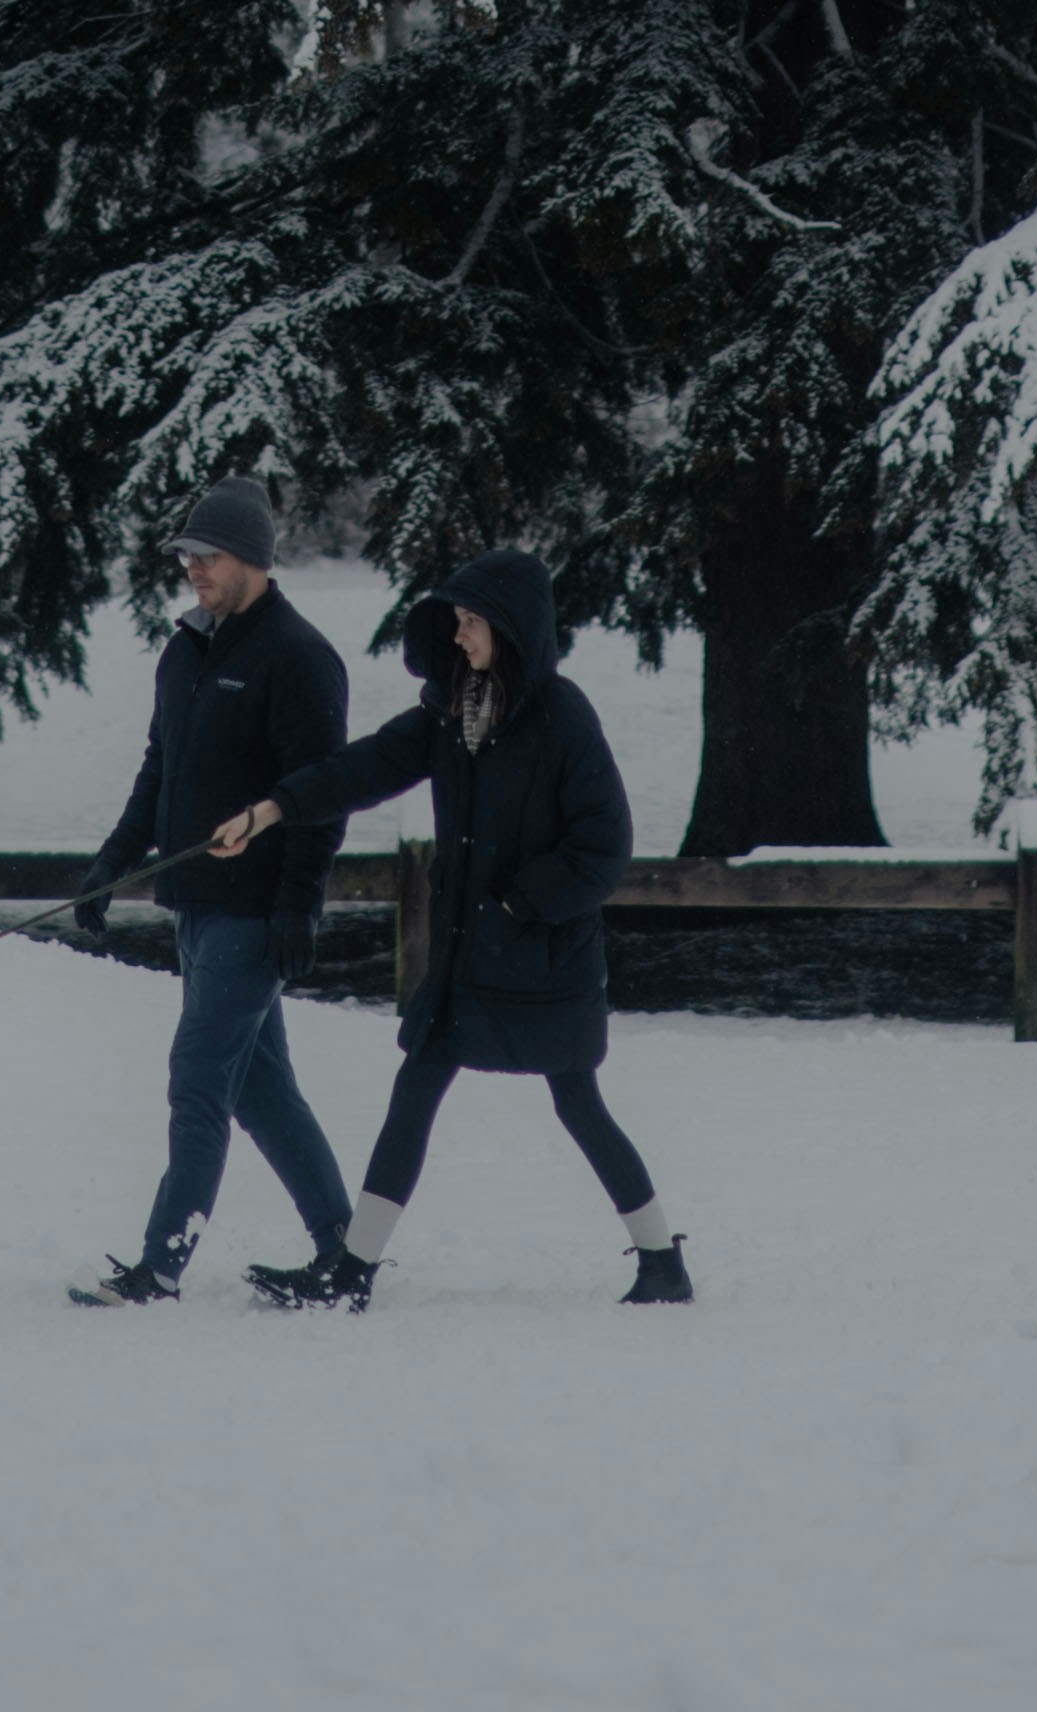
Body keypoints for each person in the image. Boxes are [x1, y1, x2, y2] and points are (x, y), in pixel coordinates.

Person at [213, 546, 689, 1308]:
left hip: (544, 960)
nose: (461, 637)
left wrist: (518, 904)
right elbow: (360, 768)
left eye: (473, 623)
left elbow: (605, 847)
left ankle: (663, 1261)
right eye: (457, 622)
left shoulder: (563, 716)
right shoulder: (447, 710)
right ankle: (352, 1270)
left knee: (578, 1103)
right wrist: (271, 810)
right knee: (416, 1087)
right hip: (467, 960)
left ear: (514, 628)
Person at [64, 479, 358, 1305]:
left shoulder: (299, 658)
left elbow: (320, 795)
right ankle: (346, 1250)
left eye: (210, 555)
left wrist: (299, 905)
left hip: (253, 911)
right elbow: (161, 767)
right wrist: (114, 862)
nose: (193, 568)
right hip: (194, 904)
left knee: (199, 1078)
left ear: (255, 563)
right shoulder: (186, 649)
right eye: (188, 554)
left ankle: (160, 1268)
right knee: (261, 1092)